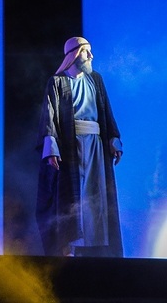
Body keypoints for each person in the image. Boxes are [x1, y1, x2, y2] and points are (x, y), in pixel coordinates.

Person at [36, 36, 123, 257]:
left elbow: (106, 112)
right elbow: (50, 116)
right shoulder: (58, 82)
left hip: (95, 147)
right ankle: (71, 247)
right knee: (75, 197)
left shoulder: (96, 80)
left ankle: (96, 247)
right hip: (71, 147)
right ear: (74, 55)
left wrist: (113, 140)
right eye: (86, 52)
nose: (91, 56)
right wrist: (51, 148)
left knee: (96, 196)